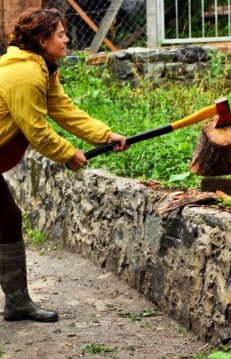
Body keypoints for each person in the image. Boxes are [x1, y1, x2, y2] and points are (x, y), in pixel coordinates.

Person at [0, 7, 128, 322]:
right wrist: (69, 153)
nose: (67, 39)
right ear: (43, 40)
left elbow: (63, 109)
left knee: (7, 220)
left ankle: (16, 303)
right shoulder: (25, 75)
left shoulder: (43, 68)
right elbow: (37, 131)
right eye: (60, 34)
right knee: (6, 219)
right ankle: (16, 303)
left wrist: (105, 134)